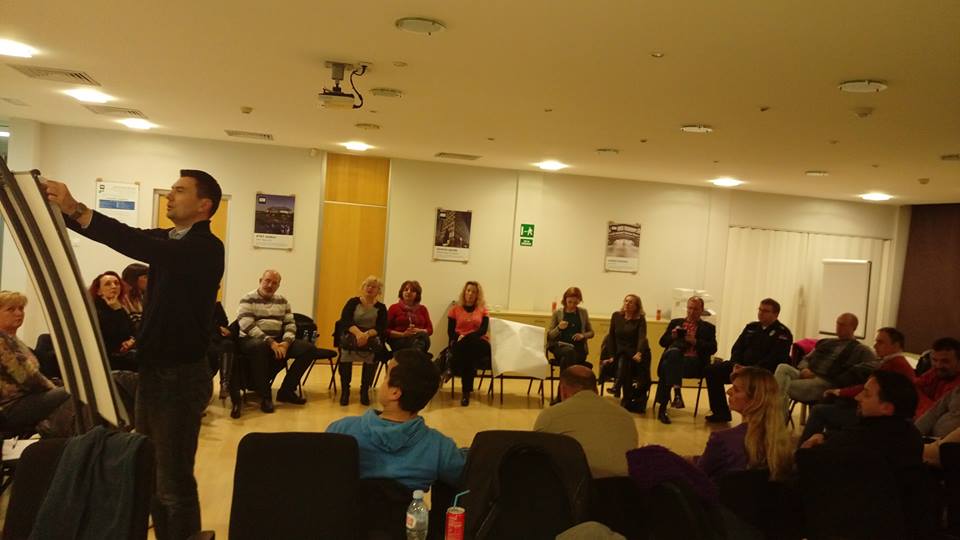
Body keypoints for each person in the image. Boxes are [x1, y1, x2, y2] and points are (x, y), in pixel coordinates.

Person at [44, 169, 224, 540]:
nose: (170, 196)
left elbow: (136, 243)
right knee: (150, 468)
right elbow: (123, 234)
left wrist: (76, 208)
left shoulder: (205, 247)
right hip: (154, 371)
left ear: (203, 205)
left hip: (180, 375)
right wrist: (60, 210)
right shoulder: (169, 239)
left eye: (179, 190)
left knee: (172, 479)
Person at [326, 349, 466, 491]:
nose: (382, 381)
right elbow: (467, 476)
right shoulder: (439, 447)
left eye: (386, 376)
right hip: (408, 505)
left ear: (395, 392)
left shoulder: (341, 430)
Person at [800, 327, 914, 443]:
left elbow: (870, 390)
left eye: (880, 342)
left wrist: (841, 392)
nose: (875, 346)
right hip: (882, 414)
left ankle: (804, 450)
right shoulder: (891, 363)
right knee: (831, 403)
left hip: (879, 418)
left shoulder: (895, 366)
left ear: (896, 345)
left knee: (819, 411)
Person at [533, 365, 637, 478]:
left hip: (575, 485)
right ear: (596, 390)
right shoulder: (626, 417)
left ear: (562, 390)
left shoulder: (550, 416)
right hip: (622, 486)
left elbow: (536, 460)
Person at [693, 367, 793, 481]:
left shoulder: (721, 440)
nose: (728, 392)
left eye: (736, 390)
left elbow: (697, 478)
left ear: (756, 399)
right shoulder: (782, 443)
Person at [237, 269, 315, 414]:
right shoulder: (247, 298)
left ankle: (286, 391)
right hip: (252, 340)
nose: (270, 285)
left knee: (309, 349)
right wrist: (271, 342)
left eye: (274, 283)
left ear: (278, 286)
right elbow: (247, 326)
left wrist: (286, 343)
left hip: (278, 340)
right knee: (259, 346)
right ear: (260, 281)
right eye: (267, 281)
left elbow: (290, 324)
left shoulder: (283, 301)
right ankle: (265, 397)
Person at [774, 312, 876, 421]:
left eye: (843, 325)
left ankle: (776, 419)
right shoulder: (826, 342)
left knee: (780, 387)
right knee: (782, 367)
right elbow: (807, 358)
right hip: (807, 373)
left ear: (854, 327)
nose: (838, 327)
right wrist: (805, 368)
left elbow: (868, 370)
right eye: (838, 324)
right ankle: (776, 418)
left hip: (825, 381)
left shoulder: (861, 349)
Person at [703, 298, 792, 423]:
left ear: (776, 314)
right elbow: (737, 347)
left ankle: (756, 418)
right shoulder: (751, 327)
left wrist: (750, 370)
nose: (761, 313)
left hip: (762, 372)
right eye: (760, 309)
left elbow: (775, 358)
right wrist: (736, 364)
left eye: (765, 311)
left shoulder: (782, 333)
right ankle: (721, 412)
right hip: (740, 367)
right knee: (712, 371)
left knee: (755, 379)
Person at [0, 291, 72, 437]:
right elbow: (27, 377)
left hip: (26, 398)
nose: (19, 313)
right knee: (73, 393)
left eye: (21, 308)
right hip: (11, 406)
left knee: (68, 390)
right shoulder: (2, 342)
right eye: (11, 309)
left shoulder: (14, 341)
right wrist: (53, 388)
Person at [654, 296, 718, 424]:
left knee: (668, 366)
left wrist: (695, 341)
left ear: (702, 310)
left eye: (695, 309)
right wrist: (672, 337)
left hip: (693, 363)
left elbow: (712, 348)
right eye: (690, 308)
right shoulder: (676, 323)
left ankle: (664, 407)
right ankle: (676, 394)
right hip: (675, 361)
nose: (691, 312)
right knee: (673, 357)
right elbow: (662, 342)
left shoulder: (708, 328)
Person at [336, 275, 388, 406]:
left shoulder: (381, 307)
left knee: (371, 357)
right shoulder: (353, 302)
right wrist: (359, 334)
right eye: (368, 286)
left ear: (378, 291)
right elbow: (345, 320)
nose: (370, 289)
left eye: (373, 287)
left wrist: (366, 335)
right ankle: (345, 391)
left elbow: (381, 327)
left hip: (370, 337)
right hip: (352, 335)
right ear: (363, 287)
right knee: (345, 356)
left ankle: (364, 391)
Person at [599, 294, 649, 413]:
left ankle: (617, 386)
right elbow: (611, 337)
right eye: (626, 301)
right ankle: (625, 398)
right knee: (624, 358)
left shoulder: (640, 319)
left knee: (626, 359)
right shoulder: (616, 316)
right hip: (617, 352)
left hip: (632, 353)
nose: (627, 303)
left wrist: (639, 352)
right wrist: (611, 356)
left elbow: (642, 338)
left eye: (631, 302)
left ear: (637, 306)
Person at [447, 281, 490, 406]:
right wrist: (459, 337)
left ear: (477, 295)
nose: (470, 294)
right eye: (468, 291)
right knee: (468, 357)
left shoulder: (483, 310)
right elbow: (450, 332)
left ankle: (451, 366)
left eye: (474, 292)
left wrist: (466, 337)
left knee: (469, 344)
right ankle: (466, 393)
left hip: (480, 343)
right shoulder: (454, 310)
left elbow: (483, 330)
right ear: (464, 292)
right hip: (461, 344)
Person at [89, 270, 138, 371]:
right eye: (108, 284)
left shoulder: (119, 307)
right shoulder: (94, 311)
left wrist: (132, 341)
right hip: (108, 359)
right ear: (98, 291)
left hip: (126, 354)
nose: (114, 286)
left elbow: (133, 331)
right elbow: (112, 335)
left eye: (116, 283)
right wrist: (117, 311)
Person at [546, 287, 595, 371]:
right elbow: (550, 335)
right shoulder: (557, 313)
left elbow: (591, 332)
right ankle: (571, 379)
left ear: (579, 301)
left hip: (578, 349)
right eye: (570, 302)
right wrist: (559, 328)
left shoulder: (583, 312)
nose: (572, 305)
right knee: (569, 352)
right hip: (560, 347)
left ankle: (564, 379)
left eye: (575, 303)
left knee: (565, 359)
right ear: (565, 300)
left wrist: (583, 335)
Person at [913, 337, 960, 417]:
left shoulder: (957, 387)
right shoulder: (936, 371)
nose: (938, 365)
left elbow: (936, 413)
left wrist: (919, 396)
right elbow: (913, 386)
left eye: (945, 361)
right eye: (935, 360)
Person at [386, 280, 433, 355]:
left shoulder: (423, 309)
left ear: (417, 294)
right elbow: (386, 330)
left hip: (419, 339)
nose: (408, 292)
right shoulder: (394, 308)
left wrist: (419, 331)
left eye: (412, 290)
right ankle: (418, 355)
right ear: (401, 292)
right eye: (406, 289)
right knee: (420, 342)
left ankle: (416, 354)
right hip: (399, 340)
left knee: (421, 336)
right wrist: (403, 334)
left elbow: (430, 329)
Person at [120, 262, 149, 332]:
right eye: (145, 277)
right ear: (133, 279)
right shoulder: (124, 298)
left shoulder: (142, 297)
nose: (149, 280)